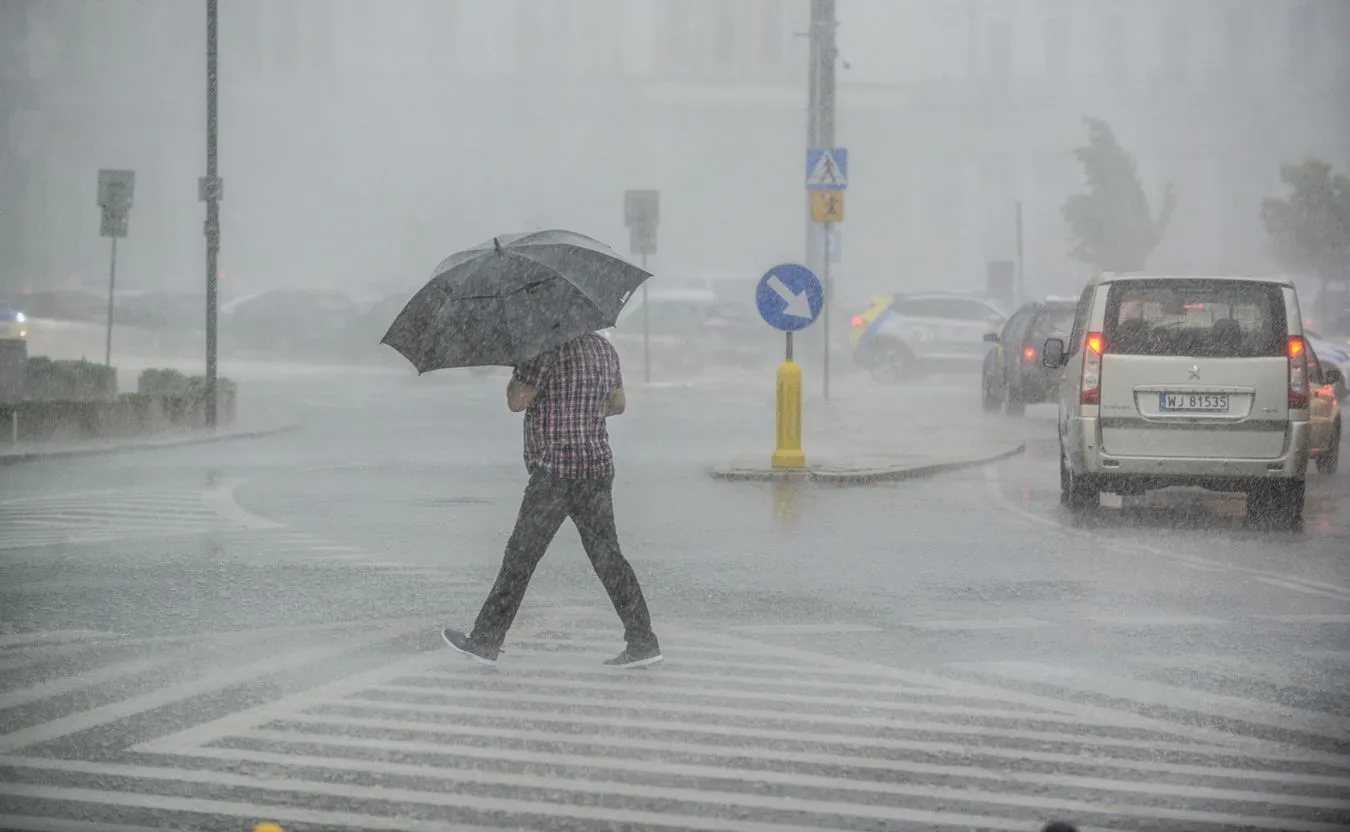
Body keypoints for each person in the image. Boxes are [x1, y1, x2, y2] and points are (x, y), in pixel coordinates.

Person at [441, 331, 662, 669]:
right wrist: (583, 411)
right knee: (609, 559)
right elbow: (618, 404)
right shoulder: (604, 349)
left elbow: (517, 401)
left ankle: (485, 640)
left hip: (555, 473)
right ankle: (643, 641)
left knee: (520, 557)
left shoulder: (542, 349)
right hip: (596, 467)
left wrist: (518, 370)